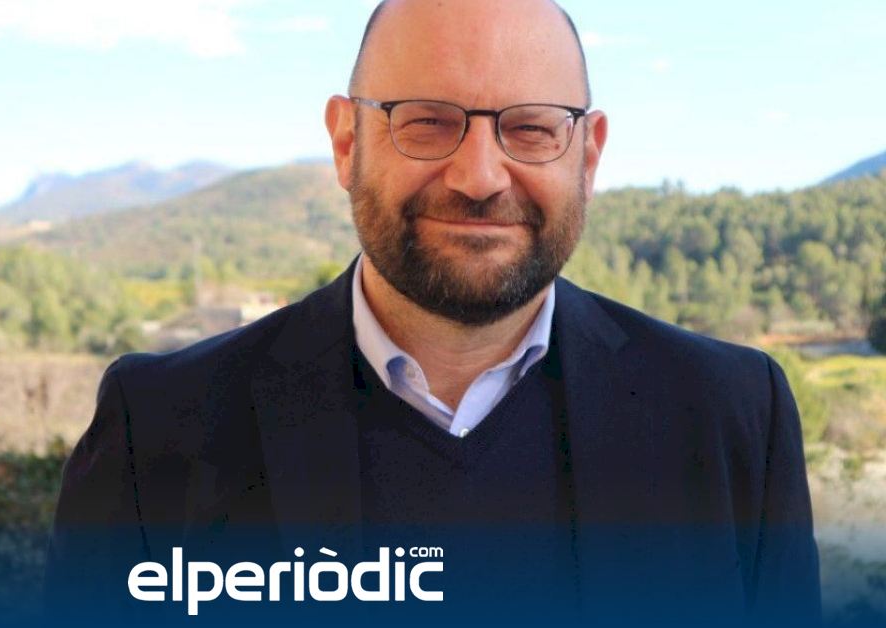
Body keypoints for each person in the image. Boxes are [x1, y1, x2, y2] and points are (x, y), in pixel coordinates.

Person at [46, 0, 821, 625]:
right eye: (426, 121)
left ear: (588, 156)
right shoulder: (159, 429)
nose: (480, 177)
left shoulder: (732, 418)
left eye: (530, 128)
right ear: (346, 142)